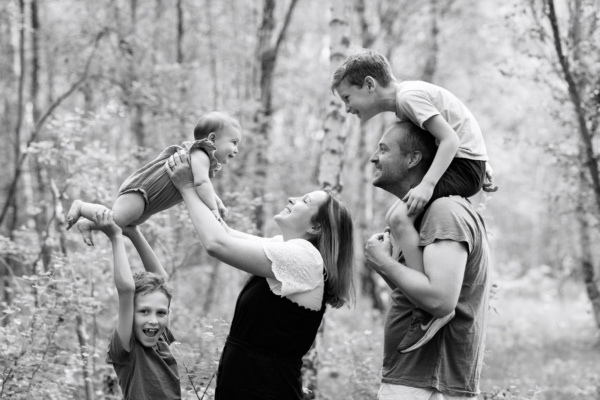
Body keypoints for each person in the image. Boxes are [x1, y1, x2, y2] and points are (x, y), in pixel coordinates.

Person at [332, 48, 496, 351]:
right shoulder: (405, 104)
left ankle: (429, 303)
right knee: (397, 216)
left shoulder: (408, 98)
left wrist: (428, 184)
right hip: (469, 162)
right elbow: (456, 127)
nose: (346, 108)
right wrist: (485, 164)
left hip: (463, 163)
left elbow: (451, 140)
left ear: (369, 84)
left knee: (397, 217)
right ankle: (425, 292)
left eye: (347, 98)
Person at [164, 149, 355, 400]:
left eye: (304, 201)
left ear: (315, 226)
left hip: (265, 388)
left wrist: (186, 187)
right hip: (249, 383)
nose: (291, 198)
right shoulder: (289, 250)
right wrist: (207, 195)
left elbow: (217, 244)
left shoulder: (304, 259)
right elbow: (226, 234)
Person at [364, 121, 490, 399]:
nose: (373, 157)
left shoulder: (444, 211)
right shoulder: (416, 216)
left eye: (383, 150)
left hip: (428, 383)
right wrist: (385, 263)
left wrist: (383, 263)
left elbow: (440, 301)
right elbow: (415, 293)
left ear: (413, 159)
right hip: (414, 377)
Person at [66, 111, 242, 246]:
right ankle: (82, 207)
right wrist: (213, 210)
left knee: (123, 224)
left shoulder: (201, 160)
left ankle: (88, 224)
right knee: (116, 219)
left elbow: (203, 185)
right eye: (233, 142)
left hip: (149, 201)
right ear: (212, 138)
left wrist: (217, 202)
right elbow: (201, 183)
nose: (236, 149)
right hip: (143, 191)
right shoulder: (200, 153)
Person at [95, 208, 181, 399]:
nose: (153, 320)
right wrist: (116, 237)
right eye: (143, 311)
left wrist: (134, 233)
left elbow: (163, 281)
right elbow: (126, 290)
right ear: (130, 314)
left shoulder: (160, 339)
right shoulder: (127, 348)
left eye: (161, 313)